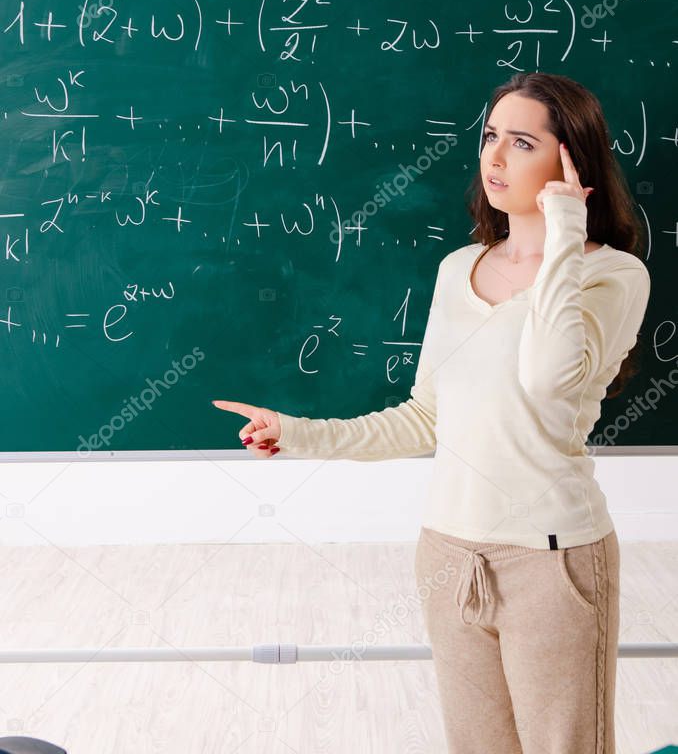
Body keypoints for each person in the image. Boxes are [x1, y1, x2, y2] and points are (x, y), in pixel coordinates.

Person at [212, 71, 652, 753]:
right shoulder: (458, 270)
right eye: (489, 137)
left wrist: (564, 229)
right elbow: (425, 418)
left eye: (522, 141)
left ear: (571, 161)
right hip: (448, 553)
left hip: (553, 562)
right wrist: (294, 433)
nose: (495, 157)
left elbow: (546, 379)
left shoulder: (613, 275)